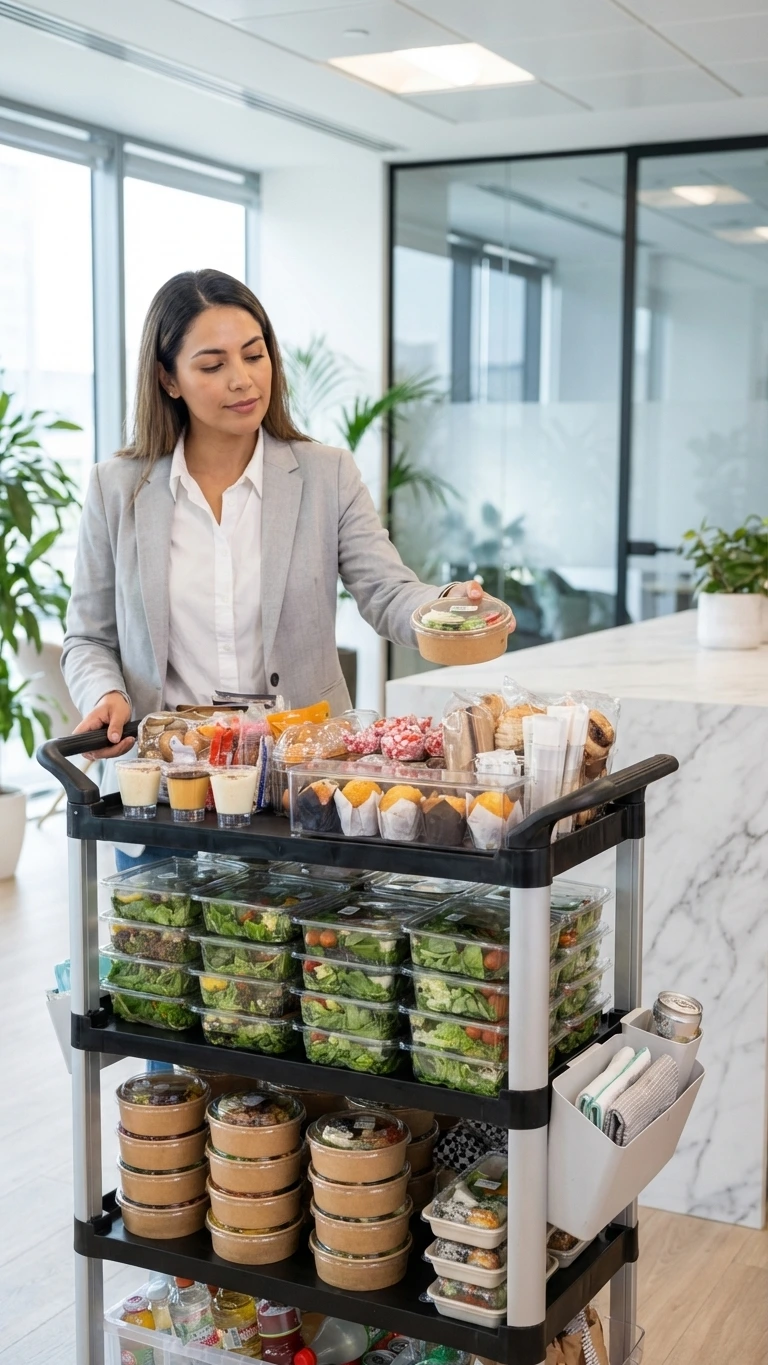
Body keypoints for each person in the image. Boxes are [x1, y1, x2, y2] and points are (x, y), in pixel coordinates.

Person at [63, 268, 513, 871]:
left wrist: (447, 609)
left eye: (255, 355)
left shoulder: (326, 475)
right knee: (162, 933)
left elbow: (386, 591)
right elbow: (88, 637)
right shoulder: (117, 488)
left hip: (303, 794)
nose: (242, 379)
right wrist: (107, 693)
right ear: (168, 379)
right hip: (167, 798)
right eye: (213, 364)